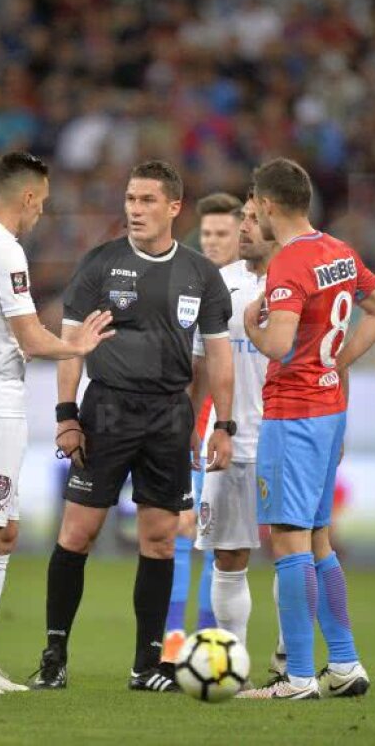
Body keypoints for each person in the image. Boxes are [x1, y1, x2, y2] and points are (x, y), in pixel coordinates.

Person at [30, 160, 236, 692]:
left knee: (161, 540)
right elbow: (71, 344)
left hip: (169, 416)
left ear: (173, 208)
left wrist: (220, 424)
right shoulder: (100, 264)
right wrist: (66, 415)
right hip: (107, 412)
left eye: (147, 201)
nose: (135, 209)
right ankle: (54, 654)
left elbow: (216, 359)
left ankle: (147, 665)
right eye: (130, 199)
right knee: (78, 534)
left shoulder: (201, 275)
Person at [0, 151, 113, 694]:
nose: (42, 213)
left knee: (3, 532)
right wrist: (75, 346)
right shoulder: (4, 250)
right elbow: (31, 339)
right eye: (44, 203)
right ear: (30, 197)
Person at [236, 158, 375, 701]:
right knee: (319, 538)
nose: (251, 212)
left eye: (253, 203)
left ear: (270, 206)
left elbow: (279, 344)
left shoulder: (289, 263)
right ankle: (346, 663)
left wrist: (250, 329)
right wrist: (337, 361)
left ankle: (299, 675)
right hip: (329, 410)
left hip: (294, 412)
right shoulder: (339, 252)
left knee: (287, 540)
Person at [189, 192, 277, 654]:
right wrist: (190, 422)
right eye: (240, 219)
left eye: (250, 220)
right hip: (231, 439)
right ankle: (233, 659)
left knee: (293, 552)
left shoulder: (298, 281)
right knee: (228, 554)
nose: (242, 228)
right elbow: (200, 365)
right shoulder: (218, 282)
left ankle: (290, 661)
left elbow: (331, 361)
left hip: (286, 437)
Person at [163, 191, 243, 662]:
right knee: (178, 528)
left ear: (241, 234)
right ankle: (173, 640)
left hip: (229, 426)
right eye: (206, 233)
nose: (211, 242)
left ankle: (209, 640)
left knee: (219, 538)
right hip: (186, 421)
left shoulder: (254, 288)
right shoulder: (186, 281)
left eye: (222, 233)